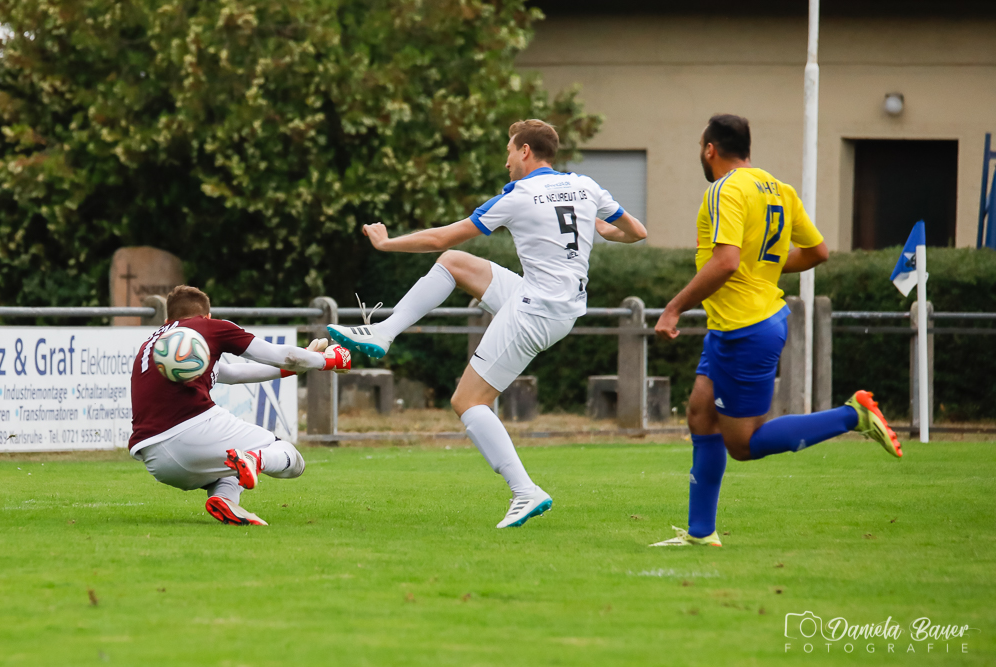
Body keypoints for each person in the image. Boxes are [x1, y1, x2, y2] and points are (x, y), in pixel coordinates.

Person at [327, 119, 647, 528]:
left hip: (535, 310)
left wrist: (388, 243)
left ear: (526, 152)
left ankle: (524, 491)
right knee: (455, 265)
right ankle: (384, 332)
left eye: (510, 150)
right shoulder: (585, 186)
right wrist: (601, 229)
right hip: (560, 305)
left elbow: (442, 236)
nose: (507, 160)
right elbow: (637, 231)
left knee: (467, 401)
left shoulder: (519, 195)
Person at [651, 114, 902, 547]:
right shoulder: (778, 188)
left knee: (743, 444)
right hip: (734, 326)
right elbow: (817, 251)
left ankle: (853, 415)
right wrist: (759, 265)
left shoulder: (723, 189)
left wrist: (673, 308)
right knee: (700, 413)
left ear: (710, 148)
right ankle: (700, 533)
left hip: (746, 328)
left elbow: (726, 261)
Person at [129, 285, 351, 526]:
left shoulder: (152, 344)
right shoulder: (207, 327)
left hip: (156, 460)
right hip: (191, 430)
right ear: (207, 316)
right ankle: (257, 460)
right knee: (290, 456)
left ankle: (224, 499)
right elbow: (284, 355)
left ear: (167, 319)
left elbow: (233, 373)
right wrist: (327, 360)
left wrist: (300, 365)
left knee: (232, 463)